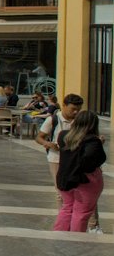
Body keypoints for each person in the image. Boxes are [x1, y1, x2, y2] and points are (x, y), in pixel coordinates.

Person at [39, 93, 100, 233]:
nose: (76, 112)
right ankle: (75, 232)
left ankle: (91, 225)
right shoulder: (53, 120)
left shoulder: (75, 125)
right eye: (73, 109)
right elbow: (40, 137)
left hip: (67, 167)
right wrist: (48, 144)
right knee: (77, 205)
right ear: (64, 105)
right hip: (58, 160)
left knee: (71, 204)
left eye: (79, 109)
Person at [55, 110, 106, 233]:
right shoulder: (93, 141)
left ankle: (59, 235)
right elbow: (90, 159)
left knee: (67, 208)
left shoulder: (63, 136)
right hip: (85, 180)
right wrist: (100, 143)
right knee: (82, 212)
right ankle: (76, 240)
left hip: (65, 178)